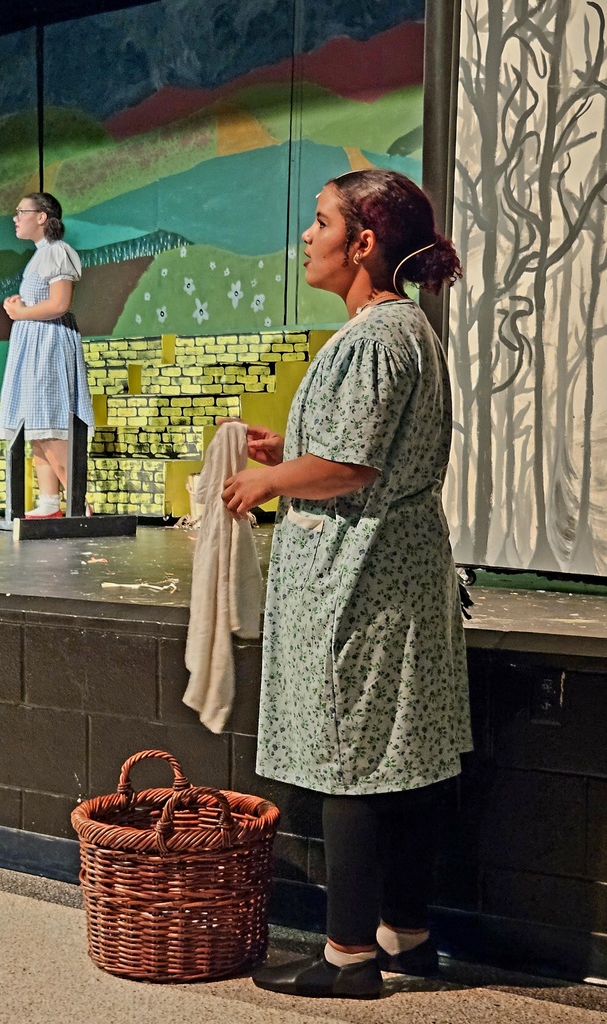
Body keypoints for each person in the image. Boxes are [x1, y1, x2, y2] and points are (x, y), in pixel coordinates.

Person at [221, 169, 472, 999]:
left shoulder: (373, 337)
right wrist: (281, 450)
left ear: (363, 243)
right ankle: (406, 937)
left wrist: (270, 483)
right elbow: (353, 450)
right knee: (395, 762)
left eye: (320, 221)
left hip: (360, 579)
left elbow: (349, 466)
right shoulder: (403, 331)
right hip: (395, 572)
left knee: (350, 763)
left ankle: (348, 960)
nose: (306, 235)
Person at [0, 192, 94, 518]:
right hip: (34, 344)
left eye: (21, 211)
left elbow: (59, 304)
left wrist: (20, 313)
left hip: (50, 346)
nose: (16, 217)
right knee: (37, 429)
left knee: (51, 428)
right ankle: (50, 504)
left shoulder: (57, 252)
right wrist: (20, 309)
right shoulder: (39, 256)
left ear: (42, 217)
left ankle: (81, 505)